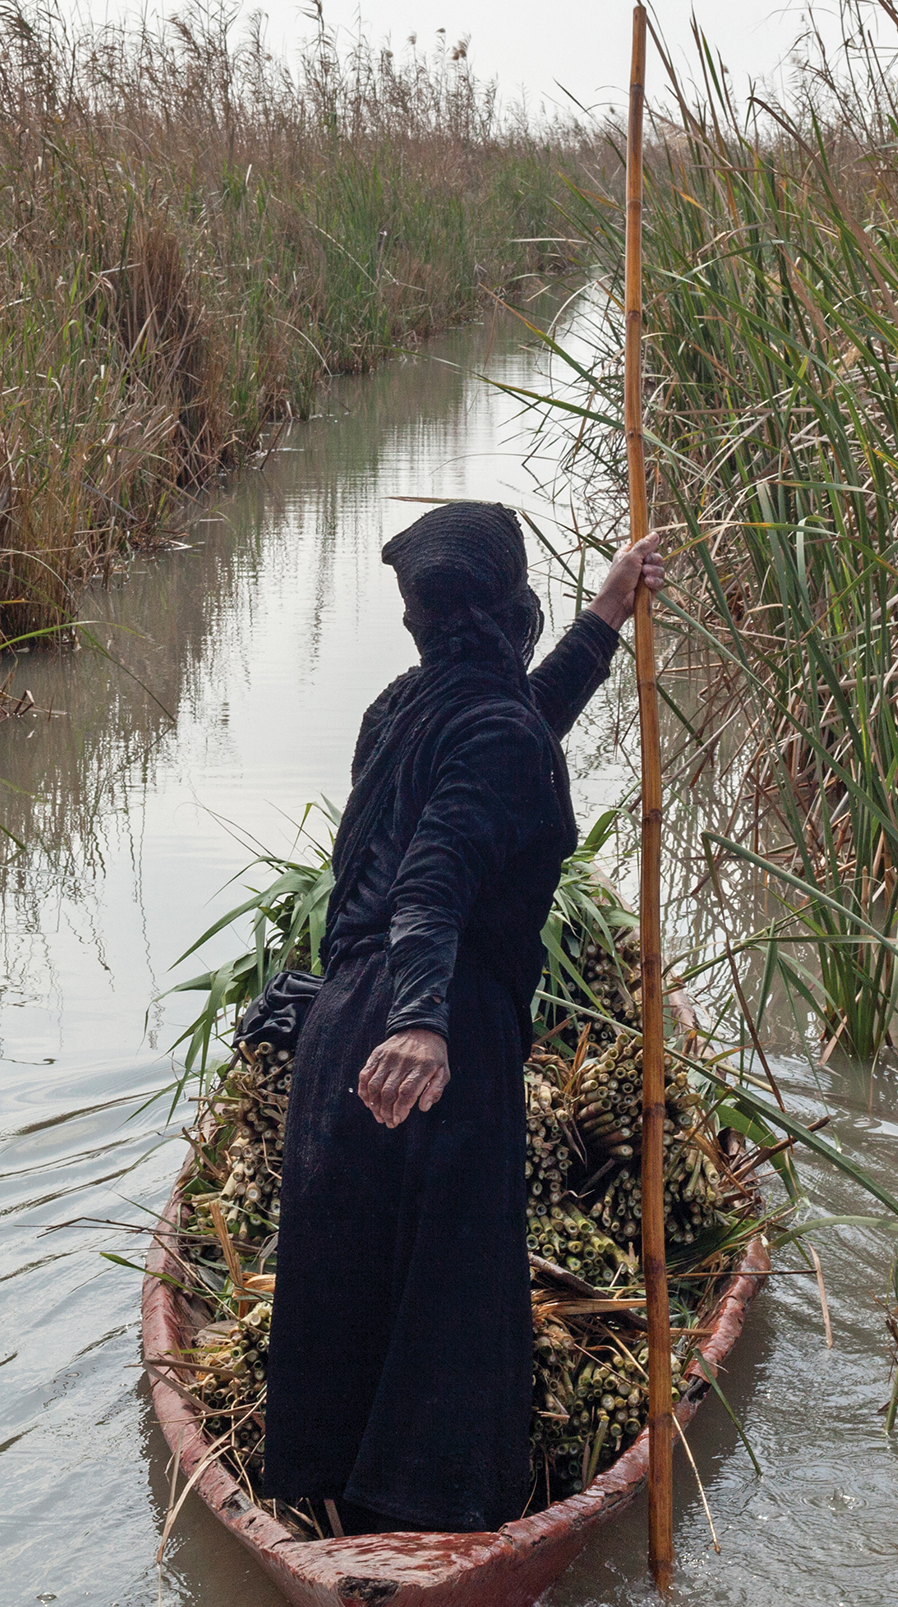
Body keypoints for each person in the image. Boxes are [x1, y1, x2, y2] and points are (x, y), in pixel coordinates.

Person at [260, 500, 668, 1537]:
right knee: (450, 1288)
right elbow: (434, 879)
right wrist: (425, 1024)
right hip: (431, 1039)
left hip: (340, 1033)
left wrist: (606, 620)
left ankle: (333, 1503)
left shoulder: (406, 706)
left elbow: (510, 731)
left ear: (426, 618)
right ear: (505, 605)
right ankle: (433, 1523)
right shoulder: (488, 733)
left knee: (352, 1272)